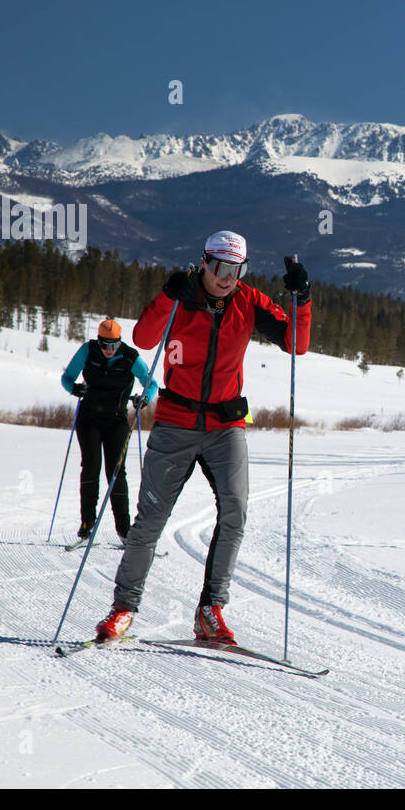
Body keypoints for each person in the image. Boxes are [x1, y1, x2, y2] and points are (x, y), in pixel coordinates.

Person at [95, 230, 311, 644]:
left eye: (237, 270)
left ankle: (211, 610)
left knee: (235, 513)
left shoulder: (249, 301)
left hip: (225, 427)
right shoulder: (181, 295)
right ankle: (123, 609)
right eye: (220, 268)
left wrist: (302, 299)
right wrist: (165, 296)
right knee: (150, 522)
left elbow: (296, 343)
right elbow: (142, 340)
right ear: (205, 263)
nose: (227, 277)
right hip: (176, 422)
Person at [60, 318, 159, 543]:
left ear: (119, 343)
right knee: (91, 466)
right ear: (99, 341)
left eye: (113, 346)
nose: (108, 350)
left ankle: (124, 530)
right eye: (105, 345)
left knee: (116, 472)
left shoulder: (130, 356)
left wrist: (144, 398)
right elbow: (67, 378)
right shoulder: (88, 350)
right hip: (89, 418)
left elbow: (151, 384)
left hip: (116, 420)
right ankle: (87, 526)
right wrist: (74, 388)